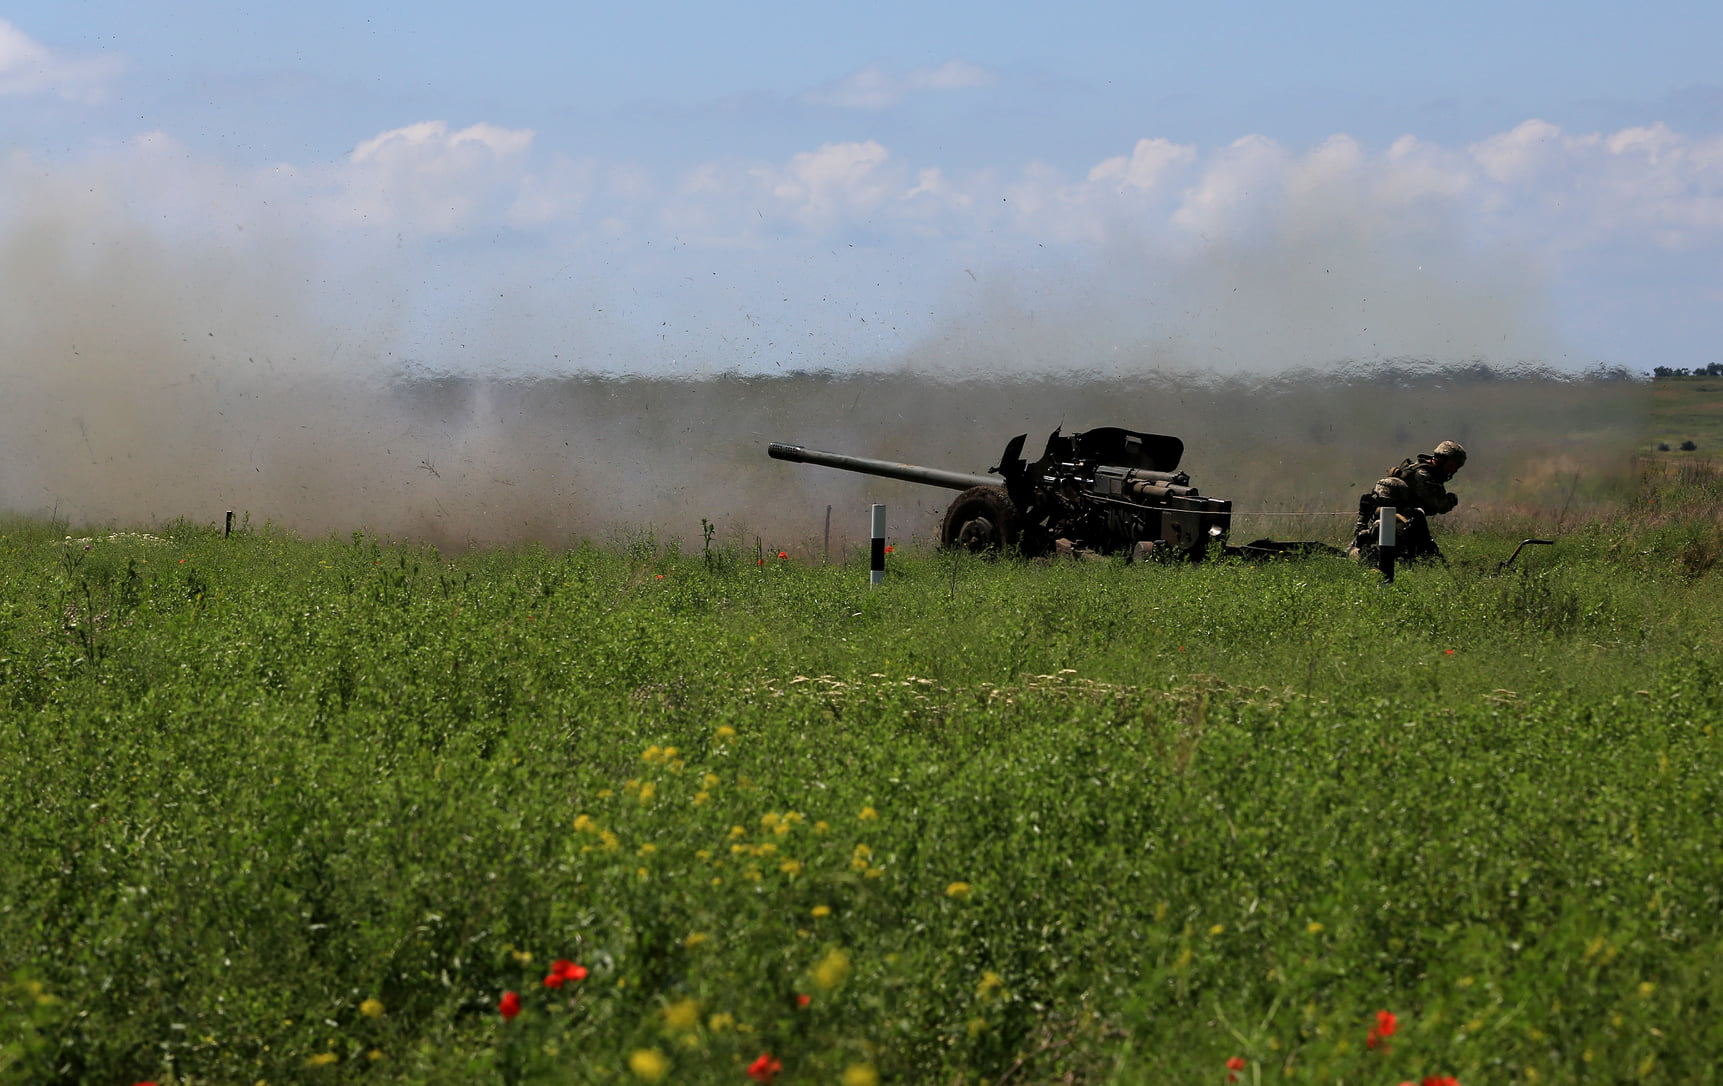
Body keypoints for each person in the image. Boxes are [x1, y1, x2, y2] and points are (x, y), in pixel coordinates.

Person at [1349, 440, 1466, 562]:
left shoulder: (1422, 470)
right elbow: (1439, 506)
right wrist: (1451, 499)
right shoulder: (1423, 475)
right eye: (1451, 466)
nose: (1452, 470)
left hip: (1398, 520)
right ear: (1440, 459)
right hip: (1400, 520)